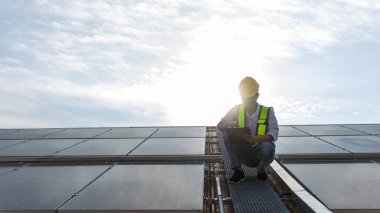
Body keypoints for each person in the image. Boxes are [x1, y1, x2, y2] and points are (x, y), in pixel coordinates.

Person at [217, 76, 279, 183]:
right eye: (244, 98)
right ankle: (238, 171)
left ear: (257, 96)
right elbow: (220, 125)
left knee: (267, 146)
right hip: (245, 153)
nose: (246, 101)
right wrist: (230, 124)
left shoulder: (268, 111)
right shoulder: (236, 109)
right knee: (226, 134)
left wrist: (256, 139)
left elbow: (274, 133)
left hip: (262, 153)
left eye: (249, 98)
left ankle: (261, 170)